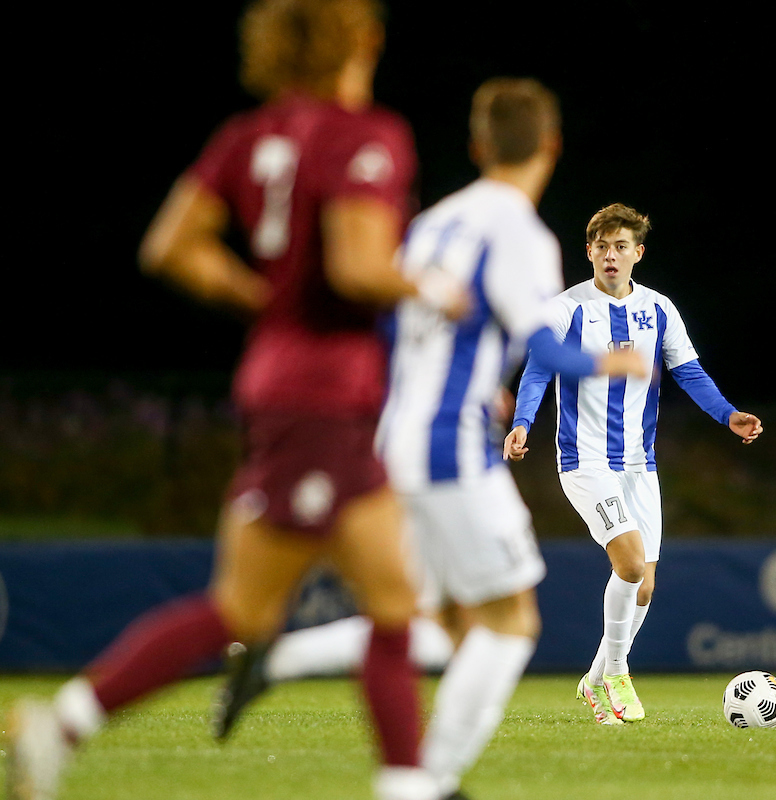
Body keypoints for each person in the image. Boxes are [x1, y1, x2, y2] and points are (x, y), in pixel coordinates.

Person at [5, 2, 464, 799]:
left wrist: (265, 300)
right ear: (361, 38)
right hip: (322, 398)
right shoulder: (366, 134)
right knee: (244, 612)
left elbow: (169, 245)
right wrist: (435, 287)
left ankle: (409, 784)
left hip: (296, 387)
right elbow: (357, 268)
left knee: (395, 601)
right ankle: (67, 722)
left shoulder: (250, 137)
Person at [214, 78, 647, 798]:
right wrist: (614, 359)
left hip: (394, 436)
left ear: (479, 147)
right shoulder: (520, 231)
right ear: (551, 146)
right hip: (451, 447)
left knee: (436, 626)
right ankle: (427, 780)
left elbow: (392, 320)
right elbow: (548, 345)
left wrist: (478, 378)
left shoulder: (435, 221)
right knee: (510, 624)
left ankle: (269, 661)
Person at [503, 203, 763, 724]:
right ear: (589, 252)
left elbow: (688, 371)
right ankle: (618, 675)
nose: (610, 255)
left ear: (638, 253)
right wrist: (524, 421)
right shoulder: (568, 308)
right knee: (627, 562)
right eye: (601, 246)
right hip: (585, 461)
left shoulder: (659, 309)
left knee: (643, 583)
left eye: (621, 246)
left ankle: (595, 680)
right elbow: (536, 371)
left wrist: (728, 414)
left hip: (640, 464)